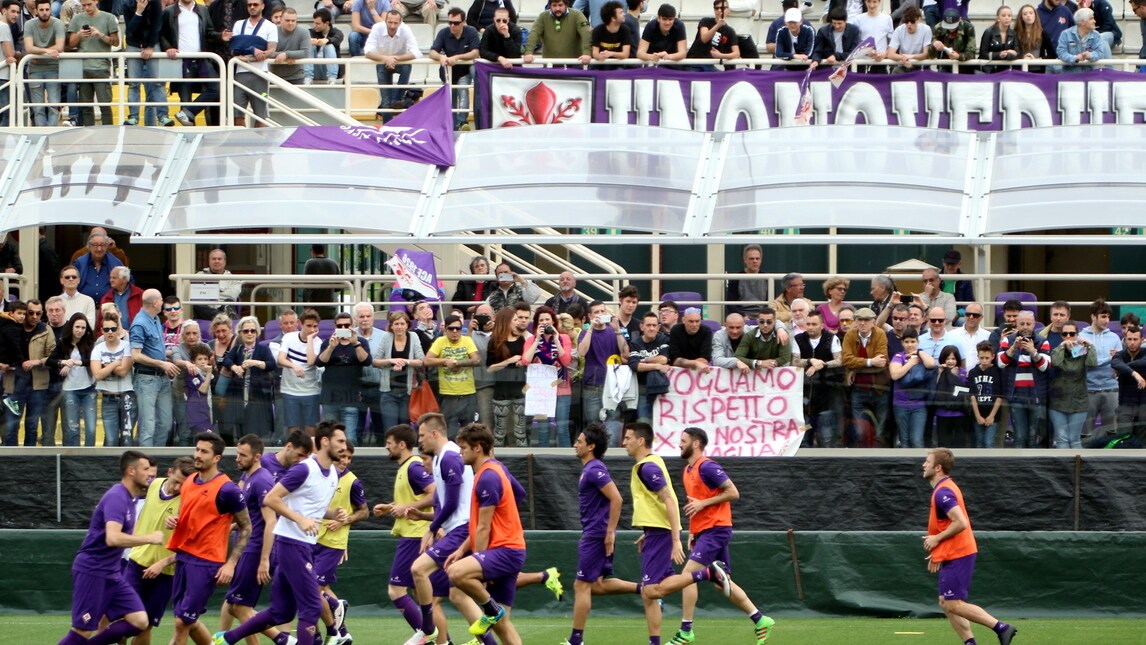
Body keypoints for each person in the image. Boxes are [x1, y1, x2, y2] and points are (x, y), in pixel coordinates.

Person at [212, 421, 348, 645]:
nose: (345, 446)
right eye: (340, 441)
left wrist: (334, 514)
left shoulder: (333, 473)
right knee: (312, 606)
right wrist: (300, 519)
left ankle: (226, 639)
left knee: (281, 612)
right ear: (325, 442)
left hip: (302, 544)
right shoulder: (305, 468)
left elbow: (313, 506)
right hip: (292, 543)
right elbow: (271, 499)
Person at [642, 428, 776, 645]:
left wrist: (703, 504)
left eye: (683, 441)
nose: (679, 444)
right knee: (721, 582)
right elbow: (694, 505)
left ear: (695, 444)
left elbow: (733, 492)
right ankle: (761, 620)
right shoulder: (688, 471)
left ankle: (686, 631)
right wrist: (693, 532)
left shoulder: (708, 466)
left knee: (687, 576)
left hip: (717, 529)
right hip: (706, 531)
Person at [56, 450, 164, 645]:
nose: (151, 474)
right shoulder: (117, 497)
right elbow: (113, 538)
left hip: (111, 573)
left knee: (139, 620)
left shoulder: (131, 498)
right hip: (93, 570)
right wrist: (150, 538)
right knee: (82, 630)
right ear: (131, 470)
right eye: (146, 469)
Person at [921, 448, 1017, 645]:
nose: (923, 464)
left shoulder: (943, 492)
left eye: (927, 461)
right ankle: (971, 643)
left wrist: (937, 539)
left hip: (960, 552)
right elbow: (947, 525)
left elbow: (960, 523)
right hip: (954, 551)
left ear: (938, 467)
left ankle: (1002, 627)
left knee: (953, 603)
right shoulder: (943, 488)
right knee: (946, 603)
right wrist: (939, 550)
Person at [444, 423, 526, 645]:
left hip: (505, 550)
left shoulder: (488, 476)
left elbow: (483, 527)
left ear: (478, 447)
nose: (459, 453)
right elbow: (519, 494)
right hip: (511, 549)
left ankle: (490, 610)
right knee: (503, 627)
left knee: (455, 572)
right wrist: (462, 549)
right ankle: (493, 611)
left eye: (463, 448)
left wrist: (479, 563)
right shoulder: (498, 469)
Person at [168, 432, 252, 645]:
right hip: (184, 557)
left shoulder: (228, 489)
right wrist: (176, 520)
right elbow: (193, 514)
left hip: (206, 562)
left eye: (204, 451)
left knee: (182, 623)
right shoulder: (189, 482)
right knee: (186, 620)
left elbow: (246, 527)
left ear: (216, 458)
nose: (198, 455)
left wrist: (231, 564)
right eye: (197, 449)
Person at [562, 423, 638, 645]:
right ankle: (645, 590)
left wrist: (610, 532)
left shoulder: (595, 469)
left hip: (596, 535)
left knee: (581, 585)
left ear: (591, 446)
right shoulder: (590, 469)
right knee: (597, 584)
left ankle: (576, 640)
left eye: (580, 441)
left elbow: (617, 498)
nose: (575, 445)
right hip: (595, 532)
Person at [409, 413, 480, 645]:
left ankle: (428, 628)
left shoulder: (450, 457)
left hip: (462, 529)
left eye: (421, 435)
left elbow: (451, 502)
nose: (419, 441)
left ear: (434, 433)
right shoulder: (440, 459)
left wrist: (432, 528)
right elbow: (441, 500)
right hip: (455, 530)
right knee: (458, 594)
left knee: (418, 570)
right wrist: (433, 525)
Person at [374, 423, 442, 645]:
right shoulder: (406, 468)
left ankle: (426, 634)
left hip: (416, 535)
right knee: (423, 597)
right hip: (412, 533)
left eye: (389, 443)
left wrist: (405, 509)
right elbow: (413, 501)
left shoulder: (413, 467)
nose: (386, 447)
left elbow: (435, 495)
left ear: (401, 444)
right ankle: (442, 641)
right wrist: (391, 506)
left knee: (395, 590)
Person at [622, 421, 684, 645]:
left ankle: (705, 574)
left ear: (640, 440)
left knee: (651, 590)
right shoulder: (648, 464)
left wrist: (675, 537)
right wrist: (648, 532)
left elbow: (668, 499)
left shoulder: (648, 467)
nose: (624, 443)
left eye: (628, 438)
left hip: (662, 533)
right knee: (648, 593)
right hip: (655, 531)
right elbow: (656, 503)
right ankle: (654, 642)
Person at [123, 457, 196, 645]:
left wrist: (163, 562)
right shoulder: (154, 484)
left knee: (146, 625)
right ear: (170, 472)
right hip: (136, 563)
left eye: (183, 485)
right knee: (124, 619)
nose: (178, 488)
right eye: (176, 481)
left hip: (165, 573)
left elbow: (190, 546)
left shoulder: (189, 502)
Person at [314, 444, 368, 645]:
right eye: (342, 456)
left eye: (348, 458)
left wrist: (344, 521)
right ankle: (342, 633)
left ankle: (333, 615)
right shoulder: (321, 474)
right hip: (314, 538)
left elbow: (364, 511)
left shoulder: (353, 482)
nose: (344, 461)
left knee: (313, 586)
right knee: (322, 588)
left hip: (333, 543)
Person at [132, 289, 181, 448]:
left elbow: (157, 350)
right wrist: (162, 363)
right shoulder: (140, 323)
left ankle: (156, 460)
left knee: (166, 424)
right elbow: (136, 355)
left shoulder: (154, 320)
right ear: (154, 303)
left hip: (162, 378)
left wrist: (176, 354)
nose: (162, 303)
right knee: (148, 426)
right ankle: (145, 467)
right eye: (161, 300)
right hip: (147, 379)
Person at [996, 311, 1050, 449]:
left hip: (1035, 396)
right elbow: (1001, 363)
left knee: (1033, 437)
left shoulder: (1042, 341)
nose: (1025, 327)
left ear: (1034, 324)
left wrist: (1033, 352)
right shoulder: (1007, 340)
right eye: (1022, 324)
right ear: (1017, 324)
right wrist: (1014, 347)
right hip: (1016, 396)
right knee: (1019, 437)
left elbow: (1045, 367)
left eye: (1028, 323)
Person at [316, 312, 371, 444]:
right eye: (340, 326)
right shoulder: (328, 343)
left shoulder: (361, 342)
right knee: (330, 437)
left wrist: (356, 344)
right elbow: (319, 362)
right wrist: (331, 347)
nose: (344, 328)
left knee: (350, 438)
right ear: (335, 327)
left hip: (351, 397)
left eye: (347, 325)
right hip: (330, 397)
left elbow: (367, 361)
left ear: (352, 326)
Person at [522, 306, 572, 448]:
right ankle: (542, 467)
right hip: (541, 392)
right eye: (541, 320)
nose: (544, 322)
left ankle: (567, 466)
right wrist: (537, 339)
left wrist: (556, 339)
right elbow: (526, 360)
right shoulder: (531, 340)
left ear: (553, 322)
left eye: (547, 320)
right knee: (543, 430)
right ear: (537, 324)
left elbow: (566, 361)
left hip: (561, 389)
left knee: (562, 429)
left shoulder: (564, 338)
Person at [423, 314, 480, 436]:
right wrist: (444, 361)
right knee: (449, 433)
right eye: (451, 328)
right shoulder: (440, 341)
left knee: (469, 432)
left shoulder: (467, 340)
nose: (455, 331)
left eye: (458, 329)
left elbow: (476, 360)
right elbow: (426, 361)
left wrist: (457, 362)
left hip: (468, 393)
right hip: (448, 394)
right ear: (445, 329)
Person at [47, 313, 97, 446]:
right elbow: (49, 361)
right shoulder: (63, 342)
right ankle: (73, 461)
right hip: (70, 390)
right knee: (72, 428)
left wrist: (74, 362)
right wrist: (64, 362)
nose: (80, 330)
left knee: (91, 428)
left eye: (83, 327)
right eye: (77, 327)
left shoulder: (90, 343)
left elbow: (92, 361)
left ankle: (90, 459)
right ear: (71, 327)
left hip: (88, 389)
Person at [67, 0, 119, 126]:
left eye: (89, 4)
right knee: (86, 107)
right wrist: (79, 34)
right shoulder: (77, 19)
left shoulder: (109, 17)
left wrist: (100, 35)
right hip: (83, 67)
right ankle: (89, 136)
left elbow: (116, 42)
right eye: (84, 5)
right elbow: (70, 44)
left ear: (96, 1)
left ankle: (109, 135)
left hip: (101, 67)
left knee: (105, 106)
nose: (86, 8)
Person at [224, 316, 277, 441]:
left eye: (252, 331)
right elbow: (226, 360)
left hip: (257, 395)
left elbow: (271, 365)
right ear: (240, 333)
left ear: (257, 332)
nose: (249, 334)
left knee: (254, 429)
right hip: (239, 394)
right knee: (241, 428)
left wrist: (255, 362)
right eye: (246, 331)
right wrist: (234, 367)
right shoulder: (237, 349)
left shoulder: (263, 349)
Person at [485, 303, 531, 447]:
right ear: (507, 321)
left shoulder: (521, 339)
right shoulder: (495, 341)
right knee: (500, 430)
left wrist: (521, 363)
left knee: (520, 430)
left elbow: (526, 359)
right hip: (501, 389)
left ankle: (524, 463)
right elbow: (490, 368)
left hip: (519, 388)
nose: (518, 322)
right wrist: (508, 361)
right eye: (515, 319)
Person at [373, 309, 426, 431]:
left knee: (405, 429)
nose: (399, 327)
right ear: (391, 326)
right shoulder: (386, 337)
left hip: (407, 392)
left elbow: (421, 360)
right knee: (390, 429)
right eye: (396, 324)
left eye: (402, 324)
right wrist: (391, 360)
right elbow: (375, 361)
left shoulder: (413, 336)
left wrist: (405, 361)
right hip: (388, 392)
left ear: (407, 325)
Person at [429, 7, 480, 129]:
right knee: (450, 98)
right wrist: (441, 57)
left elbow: (475, 52)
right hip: (447, 72)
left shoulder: (471, 31)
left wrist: (457, 57)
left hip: (464, 71)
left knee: (463, 92)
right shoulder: (443, 32)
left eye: (456, 23)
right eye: (450, 22)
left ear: (463, 22)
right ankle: (452, 125)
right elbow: (432, 52)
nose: (452, 26)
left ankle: (462, 122)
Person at [1049, 322, 1096, 449]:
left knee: (1074, 439)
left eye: (1072, 334)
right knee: (1061, 439)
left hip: (1078, 400)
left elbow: (1092, 363)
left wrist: (1090, 345)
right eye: (1065, 334)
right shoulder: (1056, 350)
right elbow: (1056, 363)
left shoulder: (1082, 351)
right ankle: (1063, 468)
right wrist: (1061, 347)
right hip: (1058, 401)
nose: (1068, 336)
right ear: (1062, 336)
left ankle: (1077, 468)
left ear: (1077, 335)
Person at [91, 309, 134, 447]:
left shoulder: (127, 345)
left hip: (127, 397)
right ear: (102, 331)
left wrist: (106, 366)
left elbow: (123, 371)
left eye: (113, 329)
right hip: (108, 399)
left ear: (118, 330)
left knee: (127, 440)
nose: (110, 332)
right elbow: (97, 375)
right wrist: (116, 362)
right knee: (111, 441)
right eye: (106, 329)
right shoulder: (98, 348)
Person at [277, 308, 322, 436]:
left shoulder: (318, 342)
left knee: (311, 428)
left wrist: (309, 340)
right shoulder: (288, 337)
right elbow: (281, 359)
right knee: (293, 428)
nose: (312, 329)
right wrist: (293, 366)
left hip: (311, 390)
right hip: (289, 390)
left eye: (315, 326)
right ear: (301, 324)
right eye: (308, 326)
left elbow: (310, 361)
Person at [23, 0, 66, 127]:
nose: (45, 13)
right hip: (35, 69)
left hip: (54, 68)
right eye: (41, 10)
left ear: (51, 9)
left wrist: (38, 53)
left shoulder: (58, 23)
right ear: (36, 10)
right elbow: (29, 48)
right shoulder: (29, 24)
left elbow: (60, 47)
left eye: (47, 9)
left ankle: (51, 134)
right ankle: (41, 134)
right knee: (38, 108)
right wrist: (48, 51)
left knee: (54, 105)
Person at [522, 0, 592, 65]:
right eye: (554, 5)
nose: (557, 8)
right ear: (550, 6)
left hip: (574, 64)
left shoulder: (577, 15)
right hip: (550, 64)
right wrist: (528, 52)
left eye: (560, 5)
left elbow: (586, 33)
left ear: (566, 5)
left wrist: (587, 53)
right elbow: (534, 34)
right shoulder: (543, 16)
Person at [967, 341, 1004, 449]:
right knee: (979, 442)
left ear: (993, 356)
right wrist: (977, 416)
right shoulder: (973, 372)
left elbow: (999, 396)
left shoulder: (997, 372)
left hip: (992, 413)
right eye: (981, 357)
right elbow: (972, 395)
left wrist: (992, 416)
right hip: (978, 412)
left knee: (989, 442)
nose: (984, 361)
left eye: (987, 358)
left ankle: (990, 465)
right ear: (977, 356)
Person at [932, 345, 970, 448]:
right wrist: (941, 373)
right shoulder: (938, 371)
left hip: (959, 414)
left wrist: (953, 377)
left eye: (953, 358)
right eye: (947, 358)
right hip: (942, 414)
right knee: (943, 446)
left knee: (960, 445)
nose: (950, 361)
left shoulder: (963, 373)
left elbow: (964, 392)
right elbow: (935, 390)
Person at [1056, 6, 1109, 72]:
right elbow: (1061, 52)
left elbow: (1100, 52)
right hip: (1070, 76)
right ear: (1082, 22)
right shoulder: (1066, 34)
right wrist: (1075, 58)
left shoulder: (1096, 35)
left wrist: (1090, 55)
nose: (1094, 21)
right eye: (1091, 19)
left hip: (1090, 76)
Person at [725, 244, 766, 318]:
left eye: (757, 258)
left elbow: (771, 303)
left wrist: (763, 316)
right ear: (745, 260)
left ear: (761, 260)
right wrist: (742, 315)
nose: (755, 261)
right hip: (741, 316)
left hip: (763, 316)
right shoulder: (736, 278)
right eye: (751, 259)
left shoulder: (768, 278)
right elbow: (730, 304)